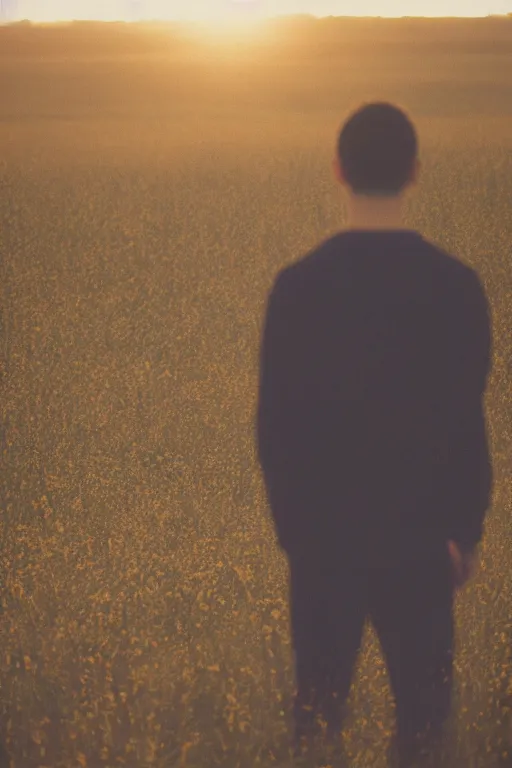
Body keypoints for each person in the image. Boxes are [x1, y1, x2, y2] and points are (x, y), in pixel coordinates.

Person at [256, 102, 492, 767]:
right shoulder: (456, 287)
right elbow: (463, 419)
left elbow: (276, 431)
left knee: (317, 728)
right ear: (415, 172)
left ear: (338, 171)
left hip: (324, 546)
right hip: (421, 544)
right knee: (422, 730)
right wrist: (463, 531)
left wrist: (300, 541)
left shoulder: (297, 288)